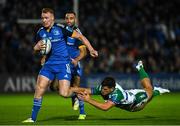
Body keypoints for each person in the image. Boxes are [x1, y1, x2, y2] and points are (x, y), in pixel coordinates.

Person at [22, 8, 98, 123]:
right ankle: (32, 118)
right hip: (49, 65)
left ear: (52, 17)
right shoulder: (40, 32)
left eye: (46, 17)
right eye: (42, 18)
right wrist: (35, 49)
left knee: (64, 93)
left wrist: (91, 49)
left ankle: (81, 92)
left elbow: (80, 37)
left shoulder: (61, 29)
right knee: (39, 88)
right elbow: (38, 49)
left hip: (63, 65)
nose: (44, 20)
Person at [72, 61, 170, 112]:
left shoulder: (117, 94)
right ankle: (156, 91)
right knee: (149, 91)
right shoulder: (104, 88)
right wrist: (72, 89)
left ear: (112, 89)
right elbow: (87, 90)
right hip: (129, 94)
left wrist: (88, 100)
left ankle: (141, 69)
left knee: (149, 89)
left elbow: (105, 107)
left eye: (105, 89)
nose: (102, 91)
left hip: (136, 102)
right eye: (102, 88)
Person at [49, 11, 87, 120]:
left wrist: (76, 60)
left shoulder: (76, 33)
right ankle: (74, 96)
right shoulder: (61, 31)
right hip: (62, 63)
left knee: (76, 85)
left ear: (75, 20)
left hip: (75, 64)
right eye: (67, 18)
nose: (69, 20)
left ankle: (82, 113)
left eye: (71, 18)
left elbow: (84, 52)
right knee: (54, 87)